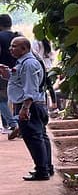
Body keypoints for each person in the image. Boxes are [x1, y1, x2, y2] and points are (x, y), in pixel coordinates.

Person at [0, 36, 53, 180]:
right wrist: (7, 74)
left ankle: (42, 171)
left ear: (24, 48)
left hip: (30, 105)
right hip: (34, 104)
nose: (10, 49)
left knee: (33, 138)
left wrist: (25, 108)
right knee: (40, 136)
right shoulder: (24, 62)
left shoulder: (29, 64)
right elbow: (21, 81)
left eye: (14, 46)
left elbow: (30, 88)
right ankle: (46, 168)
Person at [0, 14, 18, 134]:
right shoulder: (18, 36)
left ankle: (12, 124)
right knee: (16, 99)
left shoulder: (0, 37)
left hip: (2, 71)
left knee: (1, 99)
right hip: (17, 70)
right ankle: (14, 123)